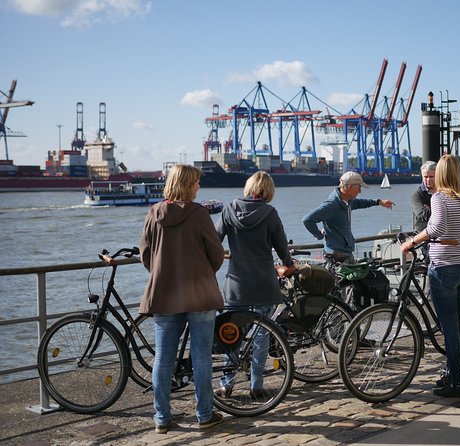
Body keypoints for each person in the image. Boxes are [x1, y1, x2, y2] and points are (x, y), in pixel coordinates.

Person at [400, 154, 460, 399]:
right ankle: (450, 374)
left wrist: (412, 241)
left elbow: (436, 228)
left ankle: (457, 384)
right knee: (456, 326)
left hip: (444, 268)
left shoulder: (439, 197)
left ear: (441, 174)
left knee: (450, 329)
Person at [139, 164, 225, 434]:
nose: (199, 187)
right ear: (189, 185)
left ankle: (162, 418)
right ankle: (204, 414)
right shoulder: (199, 214)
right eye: (197, 182)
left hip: (165, 294)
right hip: (199, 294)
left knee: (164, 358)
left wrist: (163, 273)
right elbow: (217, 253)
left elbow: (145, 254)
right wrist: (203, 272)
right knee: (201, 356)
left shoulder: (154, 213)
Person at [215, 171, 296, 396]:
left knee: (230, 334)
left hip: (236, 284)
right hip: (263, 283)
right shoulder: (270, 213)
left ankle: (226, 383)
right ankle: (256, 386)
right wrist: (289, 264)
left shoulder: (228, 210)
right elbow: (281, 247)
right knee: (262, 334)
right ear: (268, 191)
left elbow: (214, 242)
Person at [303, 171, 394, 264]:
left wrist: (378, 202)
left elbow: (359, 203)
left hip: (346, 252)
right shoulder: (332, 205)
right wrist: (319, 235)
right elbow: (307, 219)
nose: (360, 191)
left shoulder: (347, 200)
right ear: (350, 187)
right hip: (336, 256)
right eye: (359, 187)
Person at [411, 161, 437, 232]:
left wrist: (429, 209)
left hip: (442, 234)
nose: (428, 180)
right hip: (423, 234)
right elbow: (423, 215)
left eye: (431, 176)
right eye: (425, 177)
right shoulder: (417, 194)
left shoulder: (443, 191)